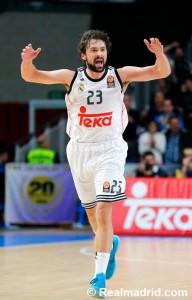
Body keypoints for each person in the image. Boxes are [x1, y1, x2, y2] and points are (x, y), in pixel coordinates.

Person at [21, 30, 171, 298]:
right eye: (93, 50)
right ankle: (109, 244)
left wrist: (160, 55)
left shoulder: (119, 75)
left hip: (110, 150)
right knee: (93, 216)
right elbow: (31, 76)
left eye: (102, 49)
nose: (99, 54)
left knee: (103, 212)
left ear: (106, 53)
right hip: (79, 151)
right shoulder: (72, 78)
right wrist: (27, 61)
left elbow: (160, 72)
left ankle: (98, 278)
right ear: (84, 54)